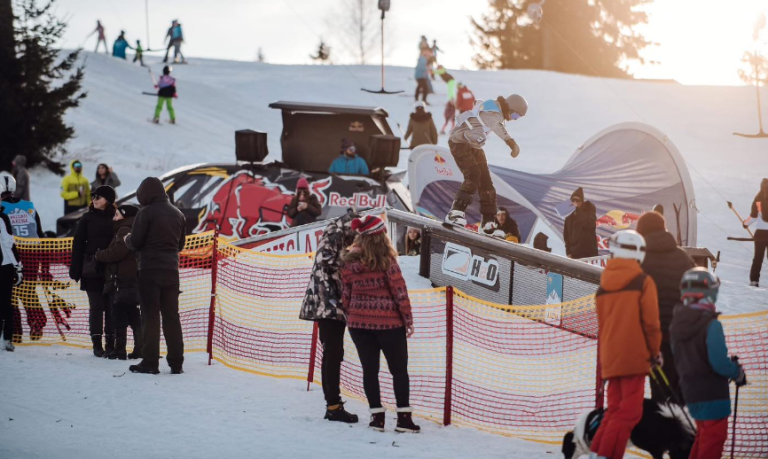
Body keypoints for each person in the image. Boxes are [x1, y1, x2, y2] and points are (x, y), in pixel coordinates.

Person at [340, 215, 419, 433]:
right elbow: (399, 292)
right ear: (381, 237)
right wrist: (408, 320)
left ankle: (377, 418)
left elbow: (345, 295)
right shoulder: (387, 262)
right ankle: (404, 420)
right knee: (399, 371)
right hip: (389, 324)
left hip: (359, 324)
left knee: (370, 371)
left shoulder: (348, 263)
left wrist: (353, 314)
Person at [590, 230, 662, 459]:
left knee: (615, 411)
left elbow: (604, 325)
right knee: (629, 413)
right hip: (633, 357)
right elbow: (651, 323)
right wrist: (654, 352)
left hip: (611, 358)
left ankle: (597, 453)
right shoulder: (643, 282)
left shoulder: (603, 287)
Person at [670, 268, 747, 459]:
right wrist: (736, 372)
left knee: (703, 439)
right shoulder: (711, 325)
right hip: (713, 395)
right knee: (712, 442)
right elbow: (718, 363)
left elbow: (679, 356)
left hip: (691, 393)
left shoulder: (676, 325)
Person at [299, 210, 360, 423]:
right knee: (332, 354)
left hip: (332, 303)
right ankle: (333, 406)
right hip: (327, 303)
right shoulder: (336, 232)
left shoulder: (340, 231)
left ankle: (333, 404)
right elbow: (325, 259)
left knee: (334, 353)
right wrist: (353, 266)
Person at [126, 177, 186, 375]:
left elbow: (135, 242)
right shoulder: (178, 214)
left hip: (149, 270)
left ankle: (150, 362)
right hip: (172, 271)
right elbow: (180, 246)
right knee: (171, 317)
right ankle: (176, 363)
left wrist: (127, 239)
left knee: (150, 317)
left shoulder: (146, 213)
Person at [444, 94, 527, 235]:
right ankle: (455, 212)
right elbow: (494, 125)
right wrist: (509, 142)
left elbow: (495, 124)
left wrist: (510, 142)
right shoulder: (493, 113)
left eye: (516, 119)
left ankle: (488, 221)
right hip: (459, 143)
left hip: (473, 145)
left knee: (486, 181)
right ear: (509, 108)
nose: (513, 120)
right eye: (514, 116)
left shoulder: (495, 110)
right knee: (473, 173)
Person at [636, 211, 695, 404]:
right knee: (680, 391)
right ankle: (682, 432)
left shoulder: (640, 259)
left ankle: (665, 430)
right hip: (683, 335)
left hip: (655, 337)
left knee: (660, 392)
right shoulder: (683, 257)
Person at [70, 185, 117, 357]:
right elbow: (78, 244)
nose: (94, 200)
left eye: (99, 197)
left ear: (109, 200)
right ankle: (97, 343)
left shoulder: (116, 218)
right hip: (91, 268)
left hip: (111, 269)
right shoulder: (86, 218)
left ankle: (111, 341)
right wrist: (75, 268)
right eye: (94, 197)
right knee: (96, 306)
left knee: (111, 306)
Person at [1, 172, 47, 341]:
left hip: (11, 254)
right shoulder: (29, 206)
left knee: (10, 292)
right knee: (29, 291)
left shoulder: (1, 209)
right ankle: (36, 324)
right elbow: (41, 234)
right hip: (33, 254)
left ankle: (15, 331)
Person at [95, 205, 143, 360]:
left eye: (116, 215)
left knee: (120, 314)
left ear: (125, 216)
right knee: (133, 314)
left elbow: (118, 252)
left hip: (121, 278)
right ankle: (139, 348)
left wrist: (99, 255)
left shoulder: (124, 229)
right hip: (132, 278)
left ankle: (120, 348)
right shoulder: (135, 228)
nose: (114, 218)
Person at [0, 178, 22, 352]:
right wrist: (17, 265)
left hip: (5, 264)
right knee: (6, 303)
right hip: (4, 265)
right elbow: (8, 243)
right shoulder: (2, 217)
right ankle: (7, 338)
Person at [743, 178, 768, 287]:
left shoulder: (758, 199)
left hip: (760, 234)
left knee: (758, 257)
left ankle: (754, 280)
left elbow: (753, 216)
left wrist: (745, 223)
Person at [563, 187, 598, 259]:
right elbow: (566, 237)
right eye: (573, 200)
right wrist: (568, 252)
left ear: (582, 202)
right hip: (575, 255)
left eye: (577, 200)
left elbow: (589, 225)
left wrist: (578, 210)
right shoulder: (568, 218)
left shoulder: (589, 213)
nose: (575, 202)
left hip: (589, 254)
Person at [434, 66, 457, 134]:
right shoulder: (449, 104)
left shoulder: (442, 71)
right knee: (448, 122)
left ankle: (450, 130)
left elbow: (439, 71)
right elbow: (447, 111)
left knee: (450, 91)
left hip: (451, 81)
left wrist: (432, 71)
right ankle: (444, 130)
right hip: (448, 115)